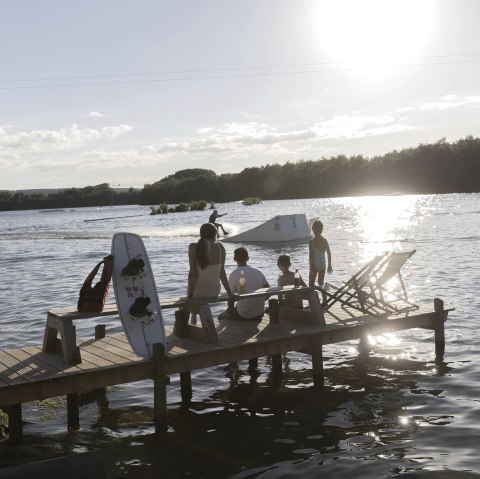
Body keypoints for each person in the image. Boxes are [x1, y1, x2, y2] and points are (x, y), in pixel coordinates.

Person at [187, 223, 234, 301]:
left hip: (198, 293)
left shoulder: (193, 247)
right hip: (215, 292)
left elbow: (193, 273)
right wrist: (229, 293)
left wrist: (190, 295)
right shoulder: (220, 247)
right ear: (215, 234)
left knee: (184, 305)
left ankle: (198, 312)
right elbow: (222, 273)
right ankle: (202, 312)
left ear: (201, 234)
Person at [222, 246, 270, 320]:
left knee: (221, 316)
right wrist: (259, 300)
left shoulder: (233, 274)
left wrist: (229, 311)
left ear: (234, 259)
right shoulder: (258, 271)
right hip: (260, 313)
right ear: (248, 258)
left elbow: (231, 296)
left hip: (243, 314)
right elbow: (268, 290)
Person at [309, 219, 333, 304]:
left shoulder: (311, 242)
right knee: (320, 283)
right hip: (322, 263)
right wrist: (330, 265)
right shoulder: (324, 240)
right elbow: (329, 253)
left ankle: (313, 302)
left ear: (313, 229)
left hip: (314, 264)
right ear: (321, 229)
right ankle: (324, 299)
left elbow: (311, 256)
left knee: (311, 285)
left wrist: (311, 267)